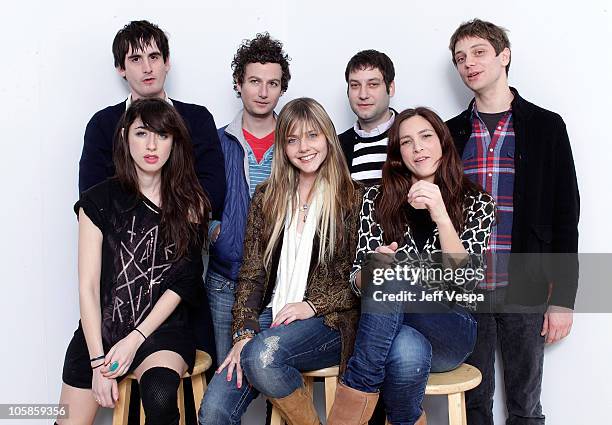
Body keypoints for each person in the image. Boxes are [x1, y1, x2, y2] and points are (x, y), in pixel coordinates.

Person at [198, 98, 364, 425]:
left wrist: (312, 305)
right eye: (292, 139)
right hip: (273, 316)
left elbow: (360, 281)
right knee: (215, 409)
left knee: (262, 357)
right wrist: (244, 332)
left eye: (312, 136)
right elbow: (250, 276)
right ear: (282, 147)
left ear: (328, 138)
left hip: (330, 322)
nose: (303, 147)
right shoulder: (267, 197)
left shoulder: (353, 198)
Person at [446, 19, 579, 424]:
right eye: (460, 58)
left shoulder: (545, 126)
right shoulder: (449, 133)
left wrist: (563, 299)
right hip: (467, 290)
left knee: (525, 405)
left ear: (504, 56)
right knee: (472, 402)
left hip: (525, 285)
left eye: (479, 52)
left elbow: (566, 214)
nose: (469, 63)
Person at [327, 107, 496, 425]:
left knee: (392, 281)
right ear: (397, 153)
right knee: (406, 350)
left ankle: (353, 398)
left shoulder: (477, 203)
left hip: (451, 328)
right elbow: (356, 281)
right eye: (406, 142)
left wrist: (441, 214)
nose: (417, 148)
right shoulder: (375, 200)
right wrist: (373, 269)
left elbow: (465, 284)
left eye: (426, 137)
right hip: (396, 332)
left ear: (443, 142)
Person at [58, 98, 210, 425]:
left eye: (163, 134)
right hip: (102, 329)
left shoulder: (191, 203)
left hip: (160, 331)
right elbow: (87, 287)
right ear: (126, 137)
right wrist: (98, 363)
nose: (151, 145)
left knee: (159, 394)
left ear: (175, 142)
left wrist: (135, 339)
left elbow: (184, 282)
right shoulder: (97, 200)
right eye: (142, 134)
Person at [78, 20, 225, 220]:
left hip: (184, 241)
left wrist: (175, 221)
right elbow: (91, 199)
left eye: (154, 57)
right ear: (121, 68)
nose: (147, 68)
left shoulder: (197, 119)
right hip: (122, 245)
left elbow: (213, 190)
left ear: (167, 62)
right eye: (136, 59)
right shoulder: (103, 124)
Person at [207, 32, 291, 363]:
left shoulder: (296, 143)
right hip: (225, 281)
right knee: (225, 382)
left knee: (279, 382)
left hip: (283, 283)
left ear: (282, 88)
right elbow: (193, 200)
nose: (263, 91)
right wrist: (216, 232)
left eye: (272, 83)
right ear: (238, 83)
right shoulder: (215, 141)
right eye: (254, 81)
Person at [339, 49, 397, 185]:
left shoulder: (412, 137)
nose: (363, 94)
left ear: (391, 88)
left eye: (373, 84)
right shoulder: (336, 147)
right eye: (355, 85)